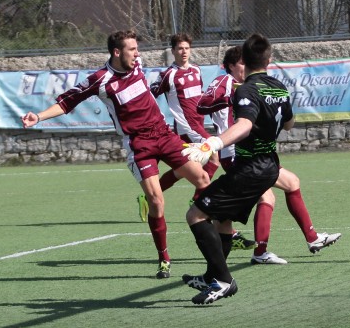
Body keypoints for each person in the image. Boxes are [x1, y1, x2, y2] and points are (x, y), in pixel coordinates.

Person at [21, 30, 211, 279]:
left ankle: (216, 231)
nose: (137, 54)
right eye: (132, 49)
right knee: (156, 201)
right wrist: (38, 117)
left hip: (163, 134)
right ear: (117, 52)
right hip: (138, 144)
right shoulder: (100, 80)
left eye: (137, 49)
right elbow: (68, 102)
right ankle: (164, 258)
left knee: (203, 180)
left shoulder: (136, 65)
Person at [194, 46, 340, 268]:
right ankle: (248, 257)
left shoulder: (251, 87)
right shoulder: (226, 81)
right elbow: (203, 104)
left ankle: (307, 239)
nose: (245, 67)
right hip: (235, 153)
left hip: (252, 153)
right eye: (241, 63)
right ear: (231, 66)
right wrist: (229, 98)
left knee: (289, 184)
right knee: (266, 198)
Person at [179, 33, 294, 305]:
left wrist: (212, 143)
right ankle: (212, 276)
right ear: (268, 60)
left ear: (244, 60)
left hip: (251, 168)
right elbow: (289, 124)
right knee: (223, 220)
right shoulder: (279, 87)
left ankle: (223, 280)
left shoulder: (246, 89)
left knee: (195, 214)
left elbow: (243, 125)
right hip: (268, 164)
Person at [147, 33, 255, 250]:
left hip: (198, 125)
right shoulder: (169, 75)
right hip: (187, 128)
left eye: (187, 48)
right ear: (173, 51)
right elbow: (150, 95)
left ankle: (151, 193)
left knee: (186, 170)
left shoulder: (196, 70)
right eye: (179, 48)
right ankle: (200, 201)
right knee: (213, 157)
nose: (183, 52)